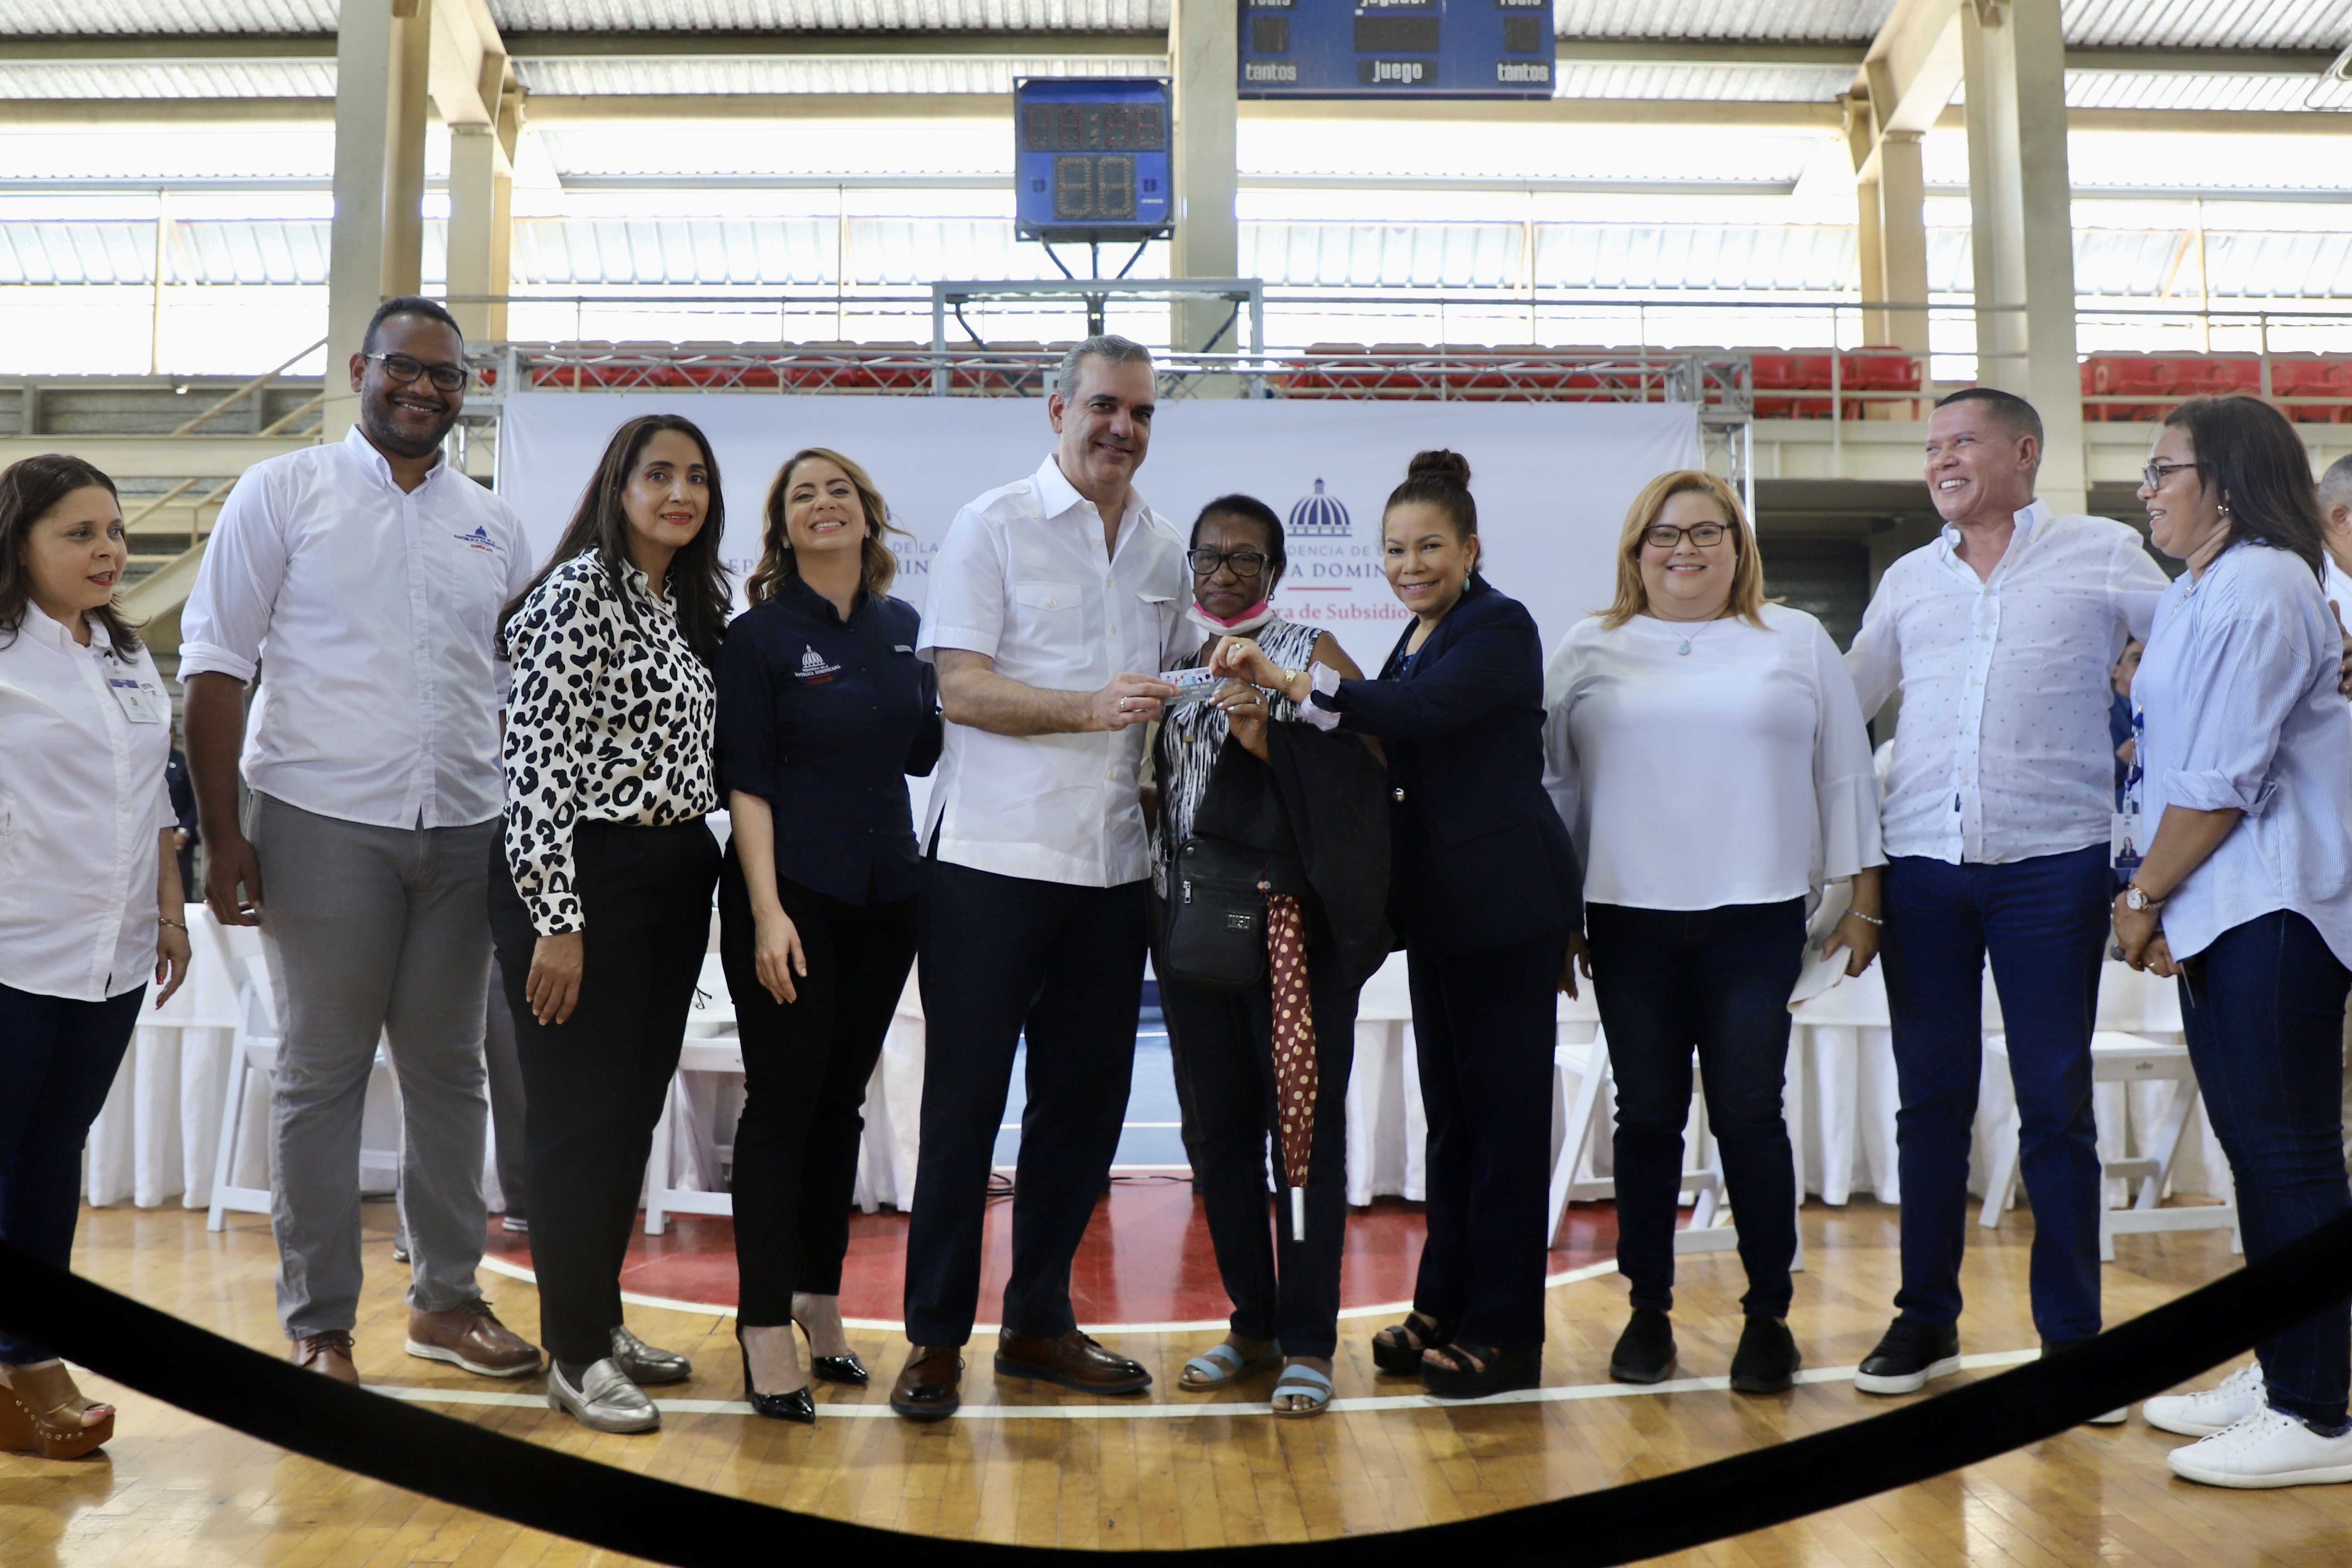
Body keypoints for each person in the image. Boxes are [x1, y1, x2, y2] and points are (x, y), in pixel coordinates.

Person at [180, 297, 541, 1386]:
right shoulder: (282, 492)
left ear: (466, 391)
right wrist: (222, 837)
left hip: (464, 828)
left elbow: (518, 688)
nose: (423, 388)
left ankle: (445, 1300)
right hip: (320, 822)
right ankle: (321, 1323)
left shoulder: (492, 522)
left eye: (446, 375)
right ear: (360, 369)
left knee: (450, 1073)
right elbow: (215, 666)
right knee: (323, 1075)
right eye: (404, 367)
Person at [1222, 449, 1582, 1400]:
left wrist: (1292, 683)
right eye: (1393, 549)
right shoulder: (1417, 634)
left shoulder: (1499, 625)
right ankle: (1443, 1306)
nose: (1409, 564)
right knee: (1454, 1125)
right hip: (1445, 914)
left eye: (1429, 547)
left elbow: (1417, 714)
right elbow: (1382, 739)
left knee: (1503, 1130)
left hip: (1505, 908)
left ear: (1471, 548)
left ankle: (1504, 1333)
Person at [1844, 386, 2168, 1405]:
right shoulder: (1908, 578)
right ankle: (1924, 1321)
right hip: (1923, 868)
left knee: (2055, 1106)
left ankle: (2074, 1341)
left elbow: (2195, 655)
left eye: (1961, 441)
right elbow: (1845, 703)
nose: (1940, 460)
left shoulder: (2104, 553)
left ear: (2024, 451)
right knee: (1929, 1102)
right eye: (1931, 446)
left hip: (2054, 864)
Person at [891, 334, 1190, 1422]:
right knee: (964, 1110)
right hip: (990, 864)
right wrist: (1087, 709)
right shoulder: (992, 524)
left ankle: (1037, 1321)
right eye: (1104, 406)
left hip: (1112, 872)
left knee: (1081, 1113)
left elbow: (1179, 685)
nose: (1122, 428)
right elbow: (960, 689)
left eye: (1140, 412)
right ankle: (933, 1339)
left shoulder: (1163, 546)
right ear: (1057, 410)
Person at [1542, 470, 1883, 1395]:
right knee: (1647, 1116)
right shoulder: (1587, 644)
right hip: (1627, 918)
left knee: (1749, 1114)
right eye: (1664, 534)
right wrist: (1558, 914)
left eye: (1706, 532)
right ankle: (1647, 1311)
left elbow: (1845, 771)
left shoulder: (1795, 638)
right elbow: (1555, 788)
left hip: (1756, 917)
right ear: (1635, 550)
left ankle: (1768, 1315)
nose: (1684, 549)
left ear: (1738, 546)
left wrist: (1865, 896)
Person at [2117, 395, 2352, 1487]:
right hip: (2218, 901)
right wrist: (2168, 898)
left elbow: (2220, 777)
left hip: (2273, 901)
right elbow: (2172, 760)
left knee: (2289, 1154)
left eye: (2162, 470)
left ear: (2224, 480)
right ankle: (2285, 1367)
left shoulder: (2262, 583)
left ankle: (2318, 1413)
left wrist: (2143, 892)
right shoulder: (2194, 589)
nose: (2146, 491)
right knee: (2255, 1155)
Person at [491, 414, 729, 1433]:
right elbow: (536, 765)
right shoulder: (578, 591)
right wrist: (558, 918)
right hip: (582, 878)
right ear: (617, 488)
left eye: (696, 477)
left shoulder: (681, 603)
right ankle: (576, 1354)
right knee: (578, 1122)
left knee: (628, 1117)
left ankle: (599, 1315)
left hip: (668, 876)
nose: (680, 493)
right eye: (658, 474)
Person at [719, 447, 940, 1425]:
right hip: (791, 897)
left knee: (841, 1102)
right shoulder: (758, 637)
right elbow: (748, 779)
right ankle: (763, 1320)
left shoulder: (906, 629)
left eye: (838, 490)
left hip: (889, 896)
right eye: (802, 495)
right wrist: (768, 912)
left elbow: (925, 751)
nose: (823, 504)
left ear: (866, 513)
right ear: (782, 527)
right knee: (784, 1101)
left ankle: (818, 1294)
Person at [1155, 495, 1387, 1419]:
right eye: (1208, 556)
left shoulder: (1309, 650)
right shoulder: (1174, 660)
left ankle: (1309, 1339)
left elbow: (1372, 772)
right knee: (1216, 1137)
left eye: (1244, 558)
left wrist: (1271, 740)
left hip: (1294, 931)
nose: (1222, 573)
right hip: (1190, 930)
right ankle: (1251, 1322)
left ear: (1277, 569)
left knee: (1304, 1135)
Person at [0, 454, 190, 1459]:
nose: (109, 549)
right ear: (19, 543)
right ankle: (23, 1360)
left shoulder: (123, 649)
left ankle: (30, 1346)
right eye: (79, 533)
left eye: (114, 530)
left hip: (110, 954)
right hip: (13, 947)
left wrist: (170, 913)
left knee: (52, 1155)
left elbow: (154, 795)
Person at [2111, 639, 2143, 811]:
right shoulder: (2098, 716)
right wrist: (2120, 761)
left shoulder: (2171, 715)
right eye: (2138, 660)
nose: (2146, 666)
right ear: (2115, 670)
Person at [166, 728, 199, 893]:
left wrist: (183, 832)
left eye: (171, 731)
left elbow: (196, 802)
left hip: (179, 839)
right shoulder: (143, 764)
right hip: (149, 836)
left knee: (180, 888)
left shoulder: (185, 763)